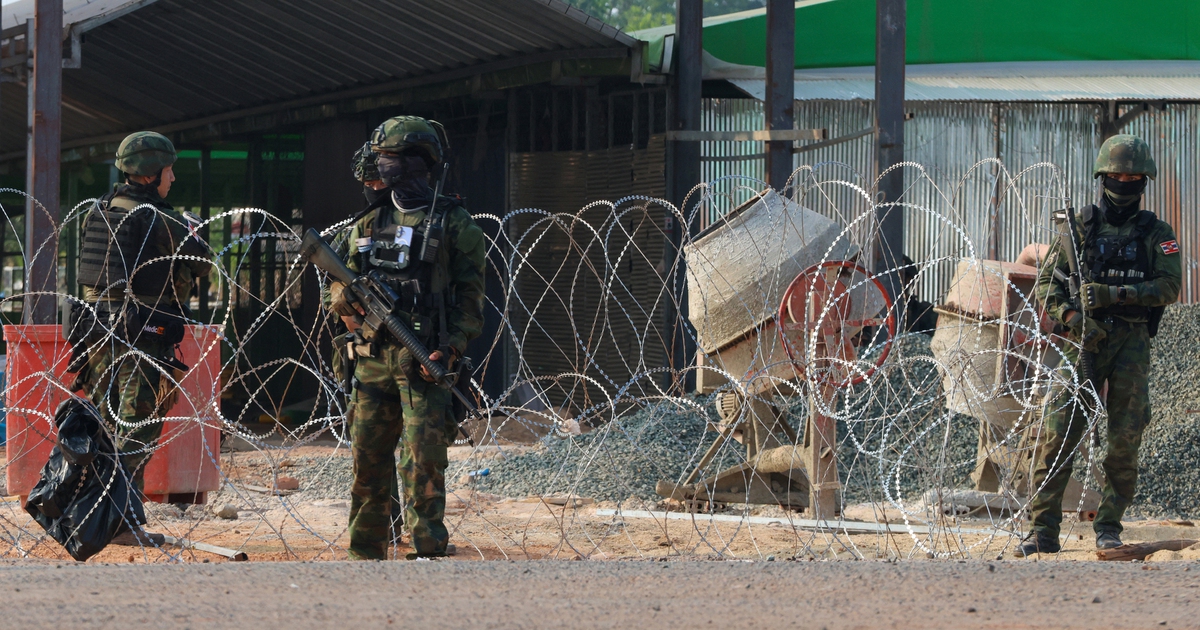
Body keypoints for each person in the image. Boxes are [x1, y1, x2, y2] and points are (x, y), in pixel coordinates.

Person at [329, 116, 486, 560]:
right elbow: (333, 285)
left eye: (389, 157)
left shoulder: (455, 225)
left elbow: (472, 303)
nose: (381, 164)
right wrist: (347, 301)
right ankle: (366, 550)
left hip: (424, 359)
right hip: (372, 358)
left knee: (422, 462)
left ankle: (428, 548)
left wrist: (450, 345)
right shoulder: (368, 222)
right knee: (367, 464)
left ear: (417, 162)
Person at [1016, 134, 1181, 557]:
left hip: (1130, 344)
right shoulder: (1079, 229)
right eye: (1117, 175)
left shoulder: (1156, 233)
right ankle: (1042, 531)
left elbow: (1169, 286)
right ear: (1102, 177)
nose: (1124, 182)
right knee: (1057, 436)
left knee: (1124, 439)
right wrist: (1072, 319)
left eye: (1133, 176)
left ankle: (1108, 526)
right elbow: (1048, 284)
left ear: (1144, 181)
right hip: (1081, 344)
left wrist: (1114, 296)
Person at [70, 131, 213, 544]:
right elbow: (203, 263)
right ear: (153, 174)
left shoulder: (98, 213)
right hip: (141, 336)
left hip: (99, 332)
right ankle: (118, 524)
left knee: (108, 427)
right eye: (169, 170)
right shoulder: (163, 220)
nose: (173, 178)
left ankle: (97, 515)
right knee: (137, 430)